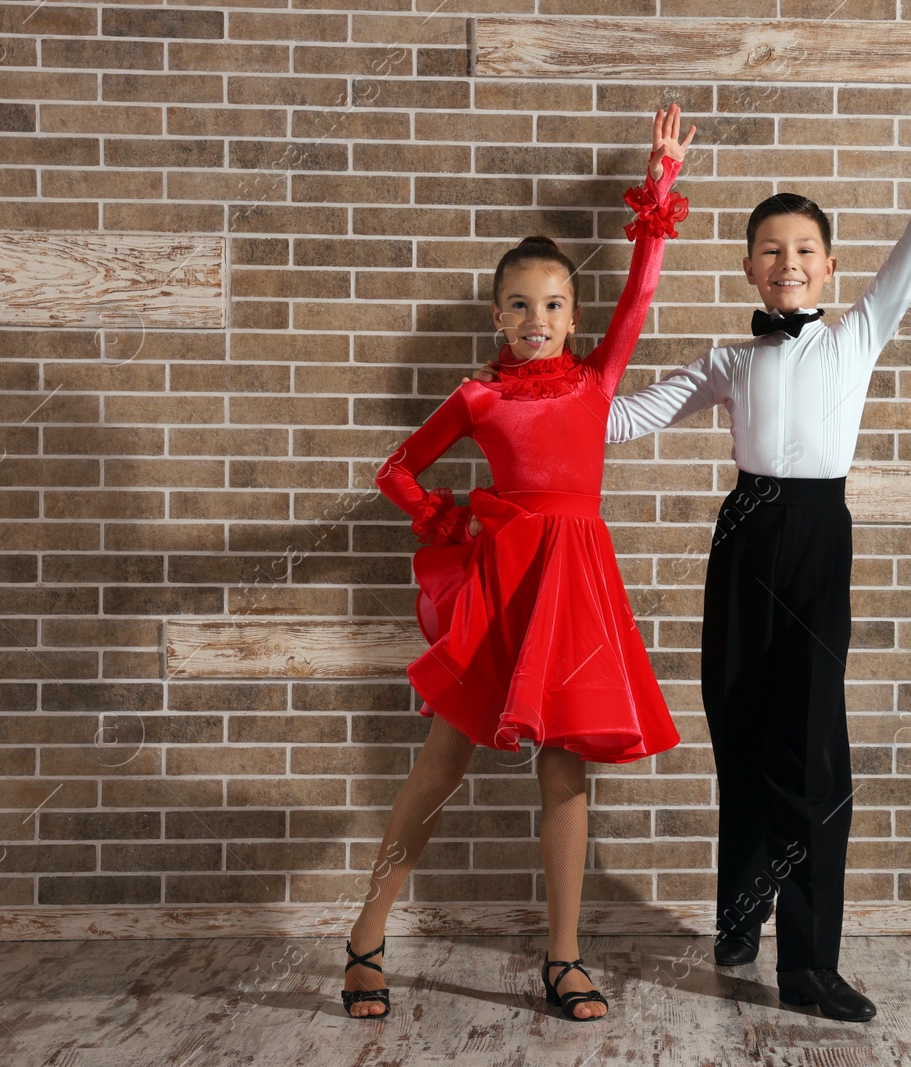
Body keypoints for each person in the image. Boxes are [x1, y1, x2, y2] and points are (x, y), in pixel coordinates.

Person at [596, 45, 911, 1022]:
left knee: (811, 755)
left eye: (804, 249)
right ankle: (740, 912)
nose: (787, 262)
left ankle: (807, 961)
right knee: (738, 731)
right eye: (768, 249)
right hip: (741, 535)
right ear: (747, 266)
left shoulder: (859, 332)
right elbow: (619, 417)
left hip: (813, 534)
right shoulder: (723, 358)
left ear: (829, 266)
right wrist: (530, 399)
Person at [340, 106, 696, 1022]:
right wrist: (446, 521)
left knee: (567, 768)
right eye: (520, 306)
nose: (538, 319)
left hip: (576, 586)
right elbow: (396, 469)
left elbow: (641, 296)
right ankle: (367, 934)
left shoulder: (597, 379)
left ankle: (565, 958)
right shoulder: (479, 395)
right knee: (441, 761)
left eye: (554, 305)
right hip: (501, 590)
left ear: (573, 316)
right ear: (497, 314)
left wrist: (659, 185)